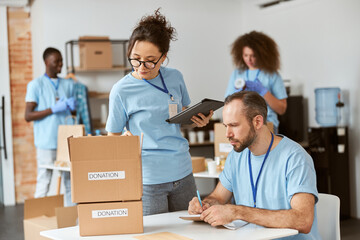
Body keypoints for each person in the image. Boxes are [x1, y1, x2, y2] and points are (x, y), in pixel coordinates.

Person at [106, 9, 212, 216]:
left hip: (183, 172)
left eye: (150, 60)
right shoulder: (121, 90)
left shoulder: (175, 78)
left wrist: (198, 120)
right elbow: (112, 137)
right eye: (135, 59)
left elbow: (179, 117)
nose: (141, 67)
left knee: (191, 232)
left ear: (163, 57)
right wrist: (124, 142)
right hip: (148, 178)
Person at [188, 91, 320, 239]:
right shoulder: (236, 156)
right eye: (226, 126)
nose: (227, 133)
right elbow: (218, 197)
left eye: (234, 125)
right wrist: (204, 204)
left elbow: (303, 221)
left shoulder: (295, 158)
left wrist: (237, 212)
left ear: (257, 122)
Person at [25, 47, 76, 206]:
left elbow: (73, 112)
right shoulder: (36, 85)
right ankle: (38, 218)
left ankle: (71, 220)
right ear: (47, 62)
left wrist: (71, 106)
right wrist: (52, 109)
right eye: (56, 61)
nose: (60, 64)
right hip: (46, 143)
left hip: (65, 142)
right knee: (44, 180)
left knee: (70, 181)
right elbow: (28, 115)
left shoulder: (68, 84)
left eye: (61, 60)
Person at [225, 31, 287, 133]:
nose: (249, 59)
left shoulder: (272, 75)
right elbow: (228, 104)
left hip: (266, 123)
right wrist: (238, 95)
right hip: (241, 123)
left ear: (262, 55)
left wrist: (263, 91)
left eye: (253, 55)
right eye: (246, 55)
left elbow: (282, 109)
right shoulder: (237, 73)